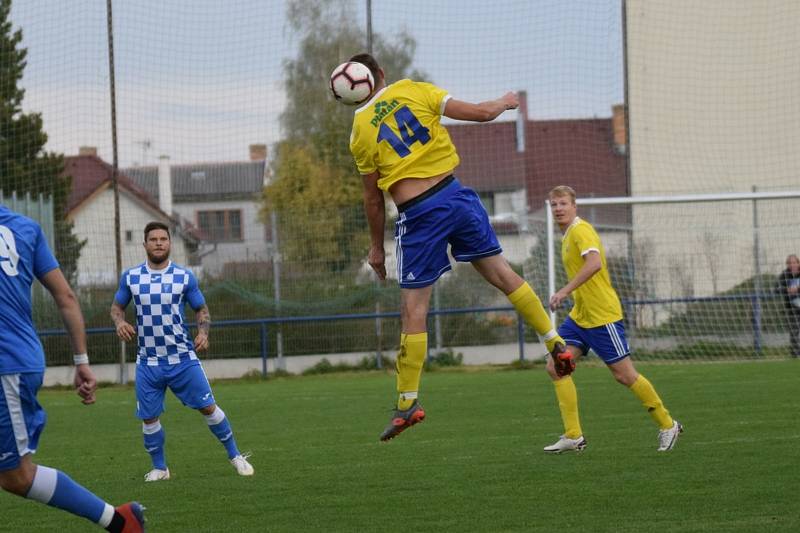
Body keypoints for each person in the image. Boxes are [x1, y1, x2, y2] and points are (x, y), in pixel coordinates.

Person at [346, 52, 570, 441]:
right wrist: (504, 101)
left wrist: (376, 248)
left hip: (419, 215)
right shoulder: (415, 90)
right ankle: (555, 343)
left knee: (414, 310)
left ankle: (407, 403)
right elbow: (482, 114)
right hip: (458, 196)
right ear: (381, 74)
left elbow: (371, 199)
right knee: (503, 275)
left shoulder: (360, 129)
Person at [0, 205, 144, 531]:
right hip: (19, 359)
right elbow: (65, 296)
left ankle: (120, 521)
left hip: (6, 365)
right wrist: (81, 362)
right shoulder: (25, 228)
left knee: (16, 476)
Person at [110, 221, 253, 481]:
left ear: (170, 244)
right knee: (149, 418)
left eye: (163, 239)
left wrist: (203, 333)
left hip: (183, 359)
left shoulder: (184, 276)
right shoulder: (131, 277)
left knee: (208, 408)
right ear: (144, 245)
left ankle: (235, 456)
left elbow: (202, 309)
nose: (158, 243)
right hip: (148, 362)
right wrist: (120, 323)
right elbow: (116, 308)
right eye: (153, 239)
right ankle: (160, 468)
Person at [545, 185, 682, 453]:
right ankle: (573, 435)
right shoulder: (567, 235)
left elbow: (594, 263)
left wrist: (564, 290)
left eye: (563, 203)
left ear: (574, 206)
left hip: (602, 316)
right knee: (555, 366)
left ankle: (667, 424)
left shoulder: (581, 230)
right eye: (554, 205)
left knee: (624, 376)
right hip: (580, 317)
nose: (558, 209)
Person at [776, 254, 800, 358]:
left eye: (794, 262)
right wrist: (787, 290)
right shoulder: (784, 274)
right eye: (789, 263)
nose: (792, 265)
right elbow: (776, 289)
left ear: (798, 263)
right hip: (792, 308)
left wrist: (798, 289)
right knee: (794, 331)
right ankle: (795, 355)